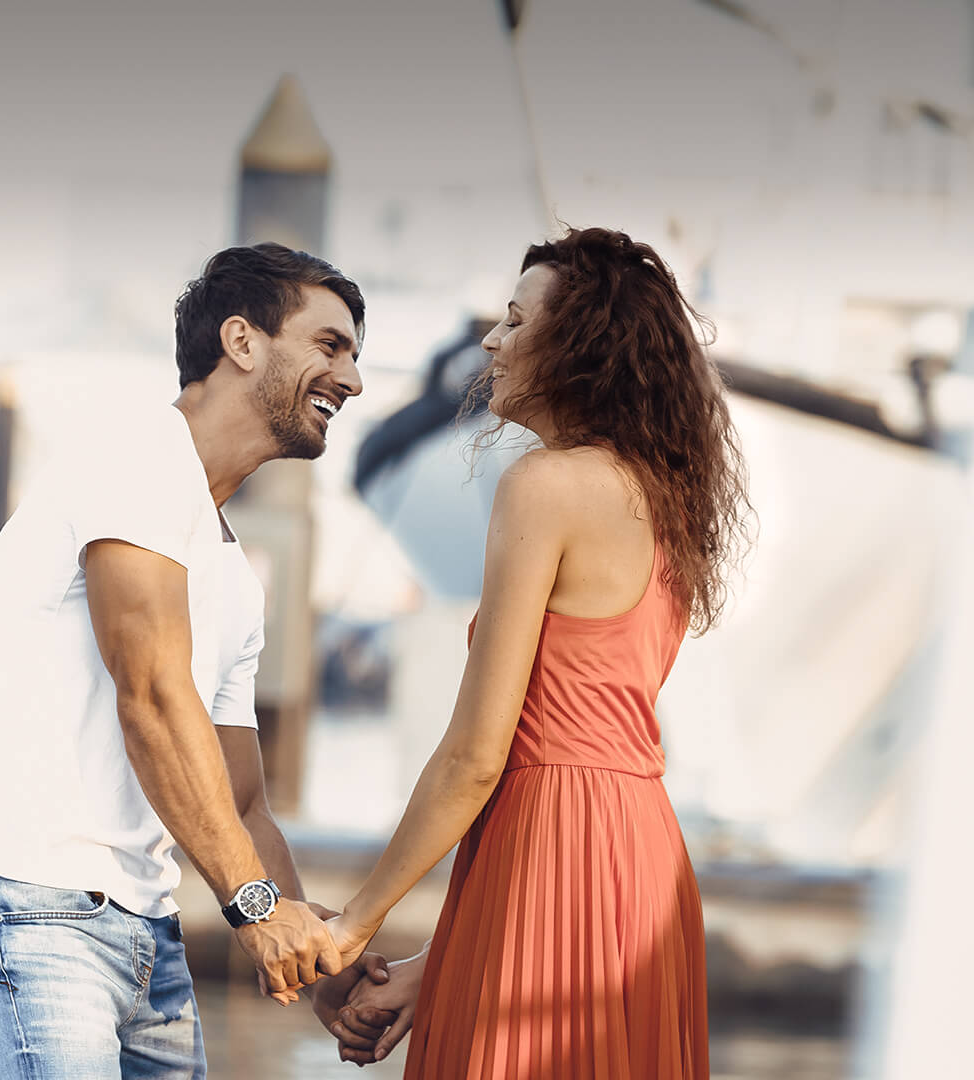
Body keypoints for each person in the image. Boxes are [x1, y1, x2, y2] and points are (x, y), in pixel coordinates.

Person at [0, 242, 387, 1079]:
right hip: (32, 900)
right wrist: (253, 909)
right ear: (242, 342)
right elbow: (153, 699)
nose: (352, 380)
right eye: (329, 345)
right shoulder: (135, 459)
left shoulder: (233, 572)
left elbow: (243, 804)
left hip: (144, 926)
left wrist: (331, 971)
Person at [320, 227, 752, 1077]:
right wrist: (433, 969)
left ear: (578, 346)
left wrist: (353, 923)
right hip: (639, 859)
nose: (491, 340)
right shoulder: (660, 496)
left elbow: (478, 757)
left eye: (515, 322)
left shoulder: (546, 486)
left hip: (553, 836)